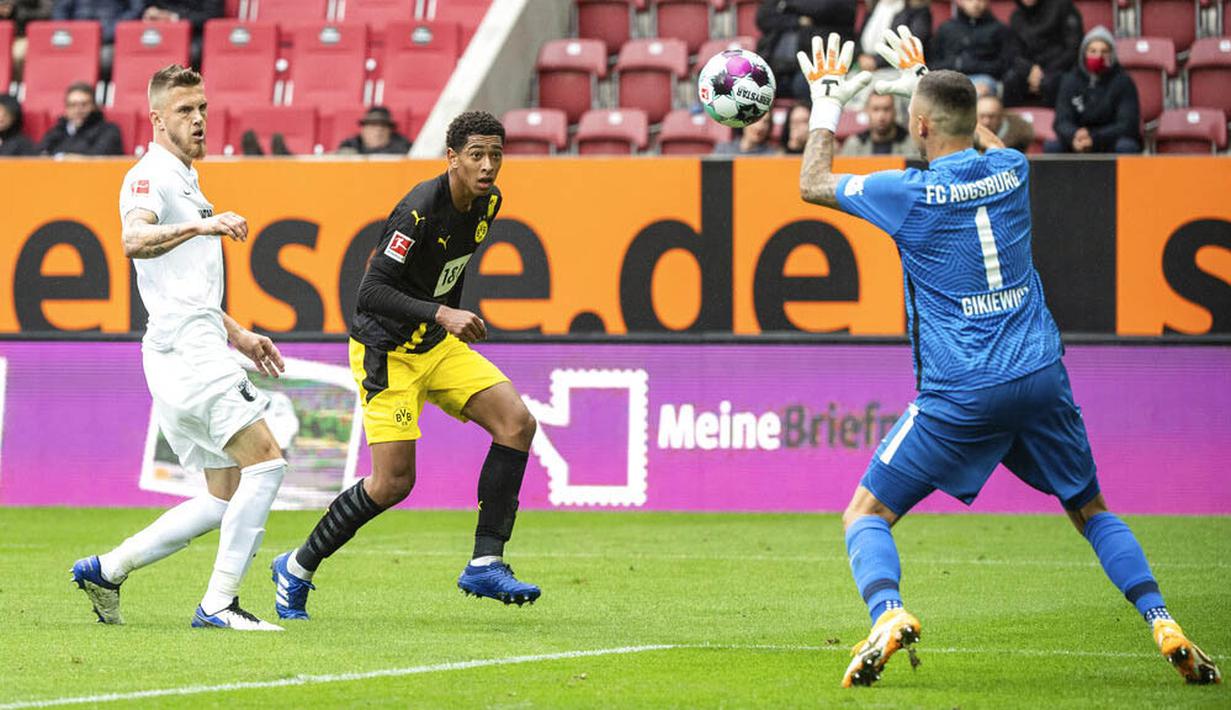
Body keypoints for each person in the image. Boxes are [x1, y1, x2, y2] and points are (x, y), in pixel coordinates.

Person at [794, 27, 1221, 687]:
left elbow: (813, 182)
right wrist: (927, 78)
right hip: (1039, 374)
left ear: (917, 125)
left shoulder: (905, 194)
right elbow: (982, 140)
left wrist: (825, 104)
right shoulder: (1011, 170)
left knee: (865, 514)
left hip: (962, 387)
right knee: (1091, 510)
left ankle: (886, 612)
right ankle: (1160, 617)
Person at [269, 111, 541, 620]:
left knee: (517, 423)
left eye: (496, 156)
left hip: (436, 346)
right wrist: (443, 312)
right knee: (393, 483)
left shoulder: (490, 202)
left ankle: (485, 561)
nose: (487, 167)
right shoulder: (417, 211)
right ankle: (297, 567)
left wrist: (442, 320)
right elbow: (370, 293)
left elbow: (443, 273)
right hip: (386, 353)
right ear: (452, 158)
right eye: (476, 155)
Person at [71, 64, 289, 632]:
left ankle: (108, 569)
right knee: (267, 465)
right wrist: (203, 227)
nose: (198, 120)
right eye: (185, 111)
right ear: (158, 118)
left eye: (202, 109)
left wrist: (238, 333)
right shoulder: (150, 176)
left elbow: (184, 287)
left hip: (193, 347)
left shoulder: (188, 182)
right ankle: (219, 604)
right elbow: (132, 240)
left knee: (223, 494)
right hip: (188, 356)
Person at [1047, 26, 1141, 154]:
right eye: (1093, 51)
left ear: (1112, 55)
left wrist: (1095, 137)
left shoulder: (1123, 82)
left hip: (1109, 141)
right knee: (1053, 146)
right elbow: (1062, 121)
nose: (1098, 56)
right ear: (1084, 54)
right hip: (1077, 141)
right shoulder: (1070, 80)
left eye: (1104, 51)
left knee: (1126, 146)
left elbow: (1127, 125)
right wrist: (1074, 135)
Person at [756, 0, 859, 100]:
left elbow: (823, 8)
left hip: (818, 63)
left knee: (801, 85)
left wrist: (786, 4)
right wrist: (797, 21)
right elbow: (763, 18)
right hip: (777, 62)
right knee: (758, 84)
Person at [1002, 0, 1082, 107]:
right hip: (1030, 68)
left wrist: (1044, 72)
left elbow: (1073, 48)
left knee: (1051, 83)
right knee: (1010, 81)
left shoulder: (1063, 6)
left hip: (1059, 66)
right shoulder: (1016, 16)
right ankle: (1013, 122)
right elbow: (1014, 52)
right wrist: (1030, 69)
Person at [930, 0, 1018, 96]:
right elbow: (933, 63)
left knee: (982, 90)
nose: (976, 3)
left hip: (982, 79)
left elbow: (1005, 65)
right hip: (948, 79)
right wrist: (957, 63)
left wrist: (973, 65)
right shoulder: (945, 28)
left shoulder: (999, 29)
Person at [51, 0, 144, 76]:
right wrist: (71, 34)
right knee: (58, 60)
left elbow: (136, 9)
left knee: (105, 60)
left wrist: (111, 31)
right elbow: (60, 11)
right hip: (77, 40)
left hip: (110, 41)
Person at [37, 82, 124, 156]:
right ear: (66, 109)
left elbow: (98, 157)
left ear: (94, 106)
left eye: (84, 104)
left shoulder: (109, 130)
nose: (78, 110)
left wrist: (63, 157)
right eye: (73, 105)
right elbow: (41, 154)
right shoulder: (57, 131)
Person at [141, 0, 224, 67]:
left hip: (197, 33)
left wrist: (173, 17)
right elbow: (149, 7)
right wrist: (150, 14)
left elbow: (213, 15)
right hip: (164, 32)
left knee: (192, 52)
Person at [838, 91, 922, 157]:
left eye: (886, 109)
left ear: (895, 111)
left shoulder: (912, 144)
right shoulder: (855, 144)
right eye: (876, 109)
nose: (881, 116)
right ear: (867, 112)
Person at [857, 0, 932, 72]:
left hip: (896, 68)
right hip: (865, 65)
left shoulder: (918, 10)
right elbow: (859, 37)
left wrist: (876, 61)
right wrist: (861, 57)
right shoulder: (874, 6)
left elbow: (911, 45)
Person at [336, 106, 413, 155]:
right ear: (363, 130)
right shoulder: (351, 145)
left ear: (390, 131)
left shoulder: (403, 147)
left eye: (383, 127)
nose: (378, 131)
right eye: (373, 125)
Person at [713, 110, 778, 155]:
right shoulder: (723, 150)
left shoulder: (771, 156)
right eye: (756, 120)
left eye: (766, 122)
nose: (760, 127)